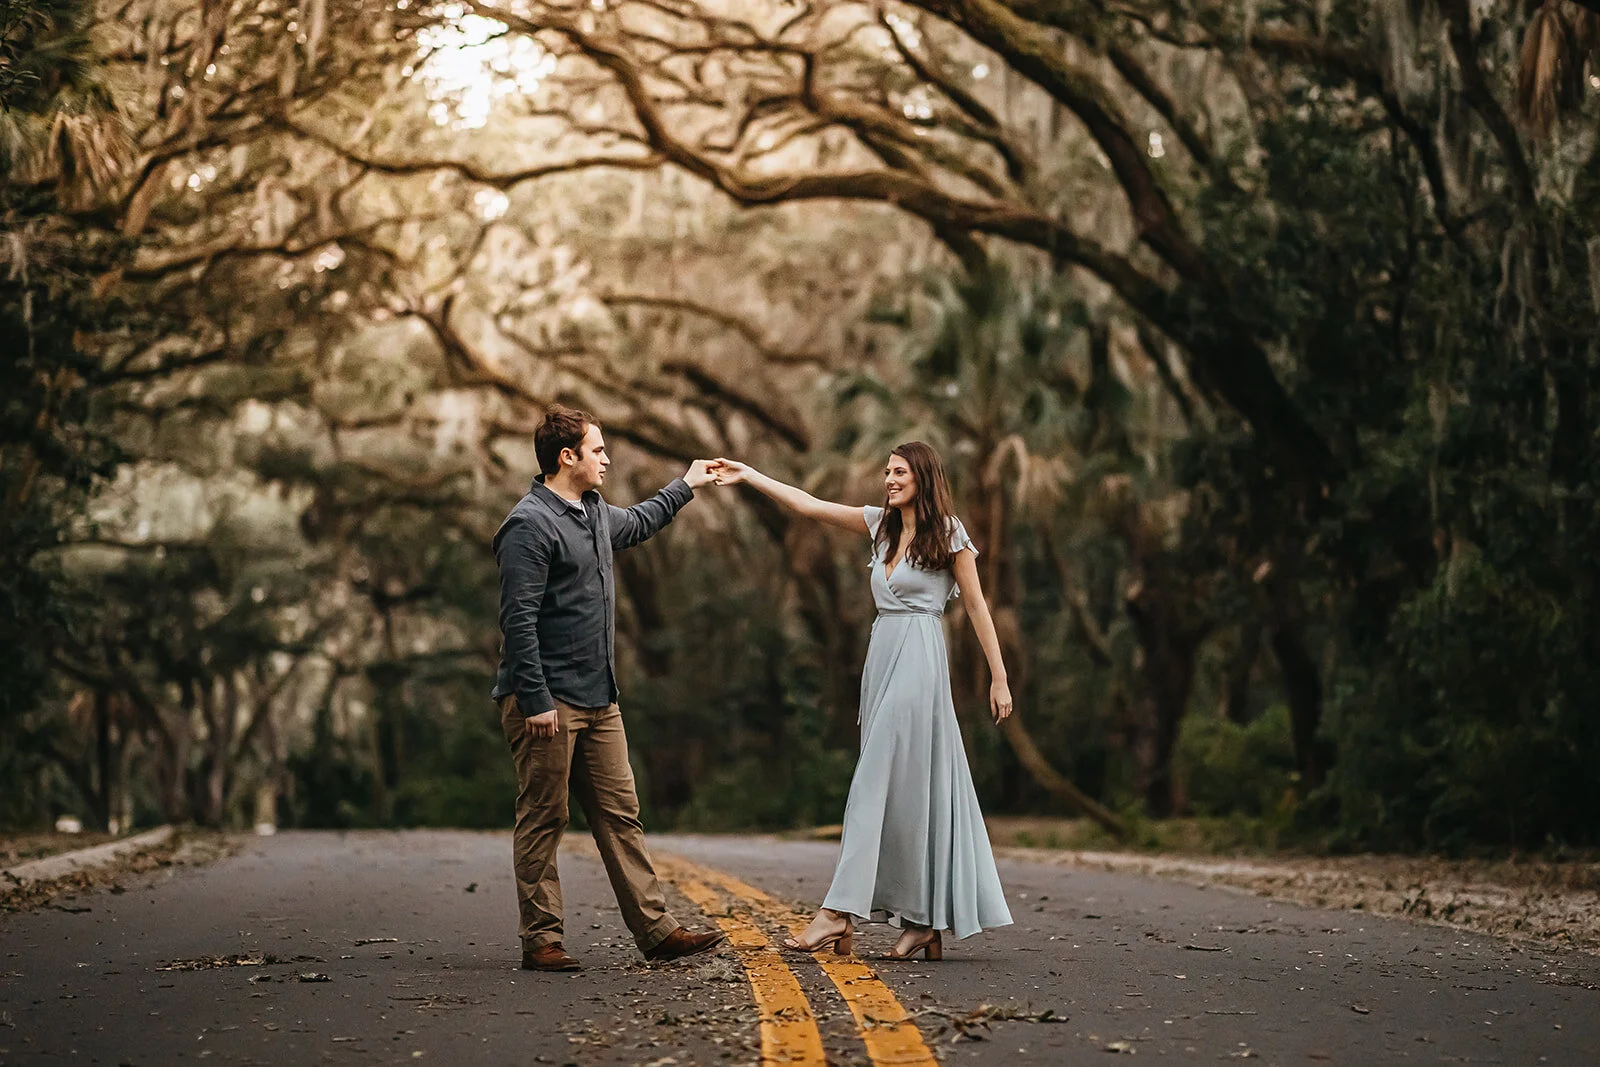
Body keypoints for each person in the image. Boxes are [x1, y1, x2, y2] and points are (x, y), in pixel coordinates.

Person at [711, 442, 1013, 961]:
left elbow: (979, 606)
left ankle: (837, 912)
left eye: (898, 472)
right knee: (907, 791)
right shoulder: (880, 526)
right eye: (887, 471)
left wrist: (999, 676)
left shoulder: (950, 535)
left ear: (922, 476)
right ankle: (922, 922)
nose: (888, 479)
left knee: (873, 778)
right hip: (882, 657)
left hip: (920, 659)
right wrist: (750, 473)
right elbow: (808, 504)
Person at [492, 405, 726, 971]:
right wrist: (537, 699)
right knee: (544, 817)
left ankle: (656, 930)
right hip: (547, 700)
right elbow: (517, 619)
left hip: (600, 699)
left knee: (621, 815)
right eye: (598, 450)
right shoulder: (529, 525)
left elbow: (640, 522)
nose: (607, 459)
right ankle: (541, 940)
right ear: (566, 456)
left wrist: (686, 484)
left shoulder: (594, 512)